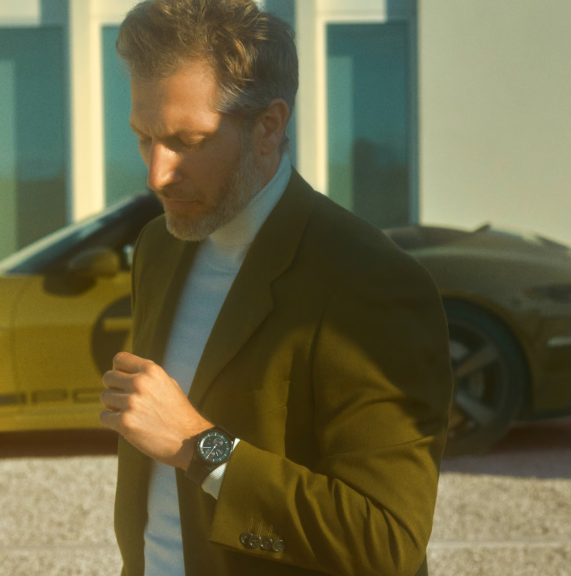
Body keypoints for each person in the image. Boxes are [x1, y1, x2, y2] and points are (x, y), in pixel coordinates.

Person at [98, 1, 453, 574]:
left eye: (187, 141)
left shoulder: (370, 281)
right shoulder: (160, 247)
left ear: (268, 126)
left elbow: (385, 543)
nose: (156, 174)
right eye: (144, 137)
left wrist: (199, 447)